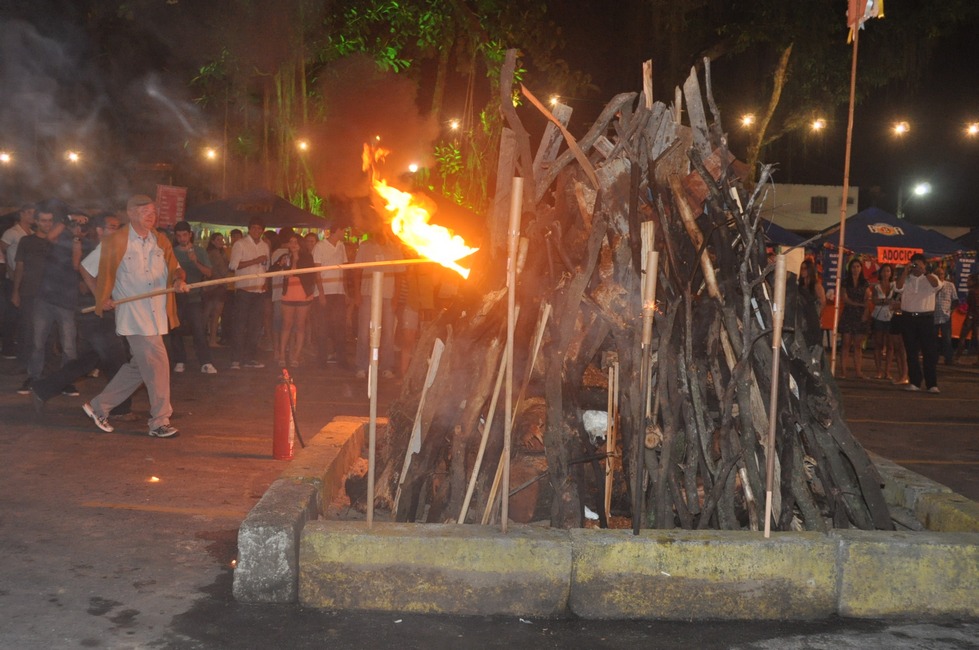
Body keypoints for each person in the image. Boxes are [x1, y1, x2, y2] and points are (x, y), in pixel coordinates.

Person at [81, 194, 188, 438]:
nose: (151, 217)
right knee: (159, 365)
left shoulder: (160, 240)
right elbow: (86, 268)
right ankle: (160, 421)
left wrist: (178, 280)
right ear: (130, 214)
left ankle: (98, 407)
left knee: (139, 368)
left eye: (153, 212)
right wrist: (100, 297)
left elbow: (177, 269)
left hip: (157, 316)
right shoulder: (115, 241)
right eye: (145, 212)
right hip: (134, 317)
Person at [32, 212, 133, 417]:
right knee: (117, 361)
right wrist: (100, 297)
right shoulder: (90, 247)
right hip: (93, 313)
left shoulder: (113, 249)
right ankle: (120, 408)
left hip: (104, 312)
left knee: (88, 360)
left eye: (118, 227)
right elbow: (80, 269)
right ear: (100, 230)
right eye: (112, 227)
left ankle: (43, 388)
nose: (117, 231)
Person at [27, 205, 88, 397]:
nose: (77, 225)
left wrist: (77, 237)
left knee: (69, 346)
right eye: (75, 222)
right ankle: (34, 377)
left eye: (80, 223)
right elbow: (50, 237)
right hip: (45, 298)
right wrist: (69, 217)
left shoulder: (80, 241)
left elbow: (76, 264)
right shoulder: (57, 236)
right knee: (38, 342)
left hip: (66, 300)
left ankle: (66, 381)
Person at [11, 205, 55, 391]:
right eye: (43, 220)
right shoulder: (26, 241)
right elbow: (19, 267)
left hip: (51, 295)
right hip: (29, 292)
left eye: (50, 221)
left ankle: (47, 369)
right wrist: (16, 291)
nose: (47, 224)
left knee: (49, 333)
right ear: (36, 222)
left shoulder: (55, 242)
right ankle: (27, 367)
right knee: (28, 330)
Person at [353, 228, 403, 380]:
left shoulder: (395, 248)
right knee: (364, 332)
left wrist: (396, 297)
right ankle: (361, 366)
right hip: (367, 294)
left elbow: (400, 275)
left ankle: (387, 366)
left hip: (388, 295)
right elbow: (356, 271)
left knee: (388, 333)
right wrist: (357, 293)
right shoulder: (365, 246)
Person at [169, 221, 217, 374]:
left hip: (194, 297)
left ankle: (205, 361)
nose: (182, 238)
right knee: (176, 329)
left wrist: (195, 261)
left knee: (199, 329)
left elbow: (209, 273)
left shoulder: (199, 251)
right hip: (176, 297)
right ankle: (180, 360)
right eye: (178, 236)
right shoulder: (171, 252)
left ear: (190, 235)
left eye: (184, 235)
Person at [270, 231, 321, 367]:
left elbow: (310, 276)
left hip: (303, 294)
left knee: (300, 326)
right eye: (291, 242)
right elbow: (271, 270)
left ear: (300, 244)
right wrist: (280, 264)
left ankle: (296, 355)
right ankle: (282, 354)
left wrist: (296, 263)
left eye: (296, 242)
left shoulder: (307, 257)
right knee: (286, 325)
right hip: (288, 293)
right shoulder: (285, 257)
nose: (293, 244)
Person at [228, 217, 269, 369]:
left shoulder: (265, 246)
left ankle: (250, 358)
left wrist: (265, 282)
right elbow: (233, 266)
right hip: (244, 291)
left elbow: (265, 267)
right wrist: (255, 260)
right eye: (254, 228)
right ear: (249, 229)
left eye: (259, 229)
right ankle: (236, 359)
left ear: (262, 231)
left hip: (259, 292)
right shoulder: (240, 244)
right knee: (240, 325)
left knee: (255, 327)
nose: (257, 231)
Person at [896, 253, 940, 393]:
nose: (916, 267)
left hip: (925, 318)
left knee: (929, 352)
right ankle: (915, 382)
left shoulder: (931, 277)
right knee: (911, 351)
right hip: (908, 318)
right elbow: (898, 288)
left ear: (925, 265)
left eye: (918, 264)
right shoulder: (907, 278)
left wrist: (924, 271)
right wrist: (905, 271)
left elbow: (936, 285)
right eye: (914, 264)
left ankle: (932, 384)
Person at [0, 203, 35, 358]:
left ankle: (18, 345)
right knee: (11, 314)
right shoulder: (12, 233)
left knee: (23, 315)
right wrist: (8, 268)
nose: (32, 216)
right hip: (13, 279)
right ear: (21, 214)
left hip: (27, 280)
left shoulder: (32, 233)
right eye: (29, 212)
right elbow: (1, 250)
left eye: (34, 213)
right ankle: (7, 347)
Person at [312, 226, 349, 368]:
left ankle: (342, 360)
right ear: (337, 230)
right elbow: (317, 271)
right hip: (324, 292)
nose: (345, 233)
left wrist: (345, 291)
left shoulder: (341, 246)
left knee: (340, 327)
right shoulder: (320, 246)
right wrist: (321, 293)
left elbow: (343, 270)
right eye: (343, 230)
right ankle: (321, 360)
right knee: (323, 327)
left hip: (338, 292)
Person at [869, 263, 906, 382]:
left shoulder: (895, 285)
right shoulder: (876, 287)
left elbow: (896, 299)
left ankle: (887, 371)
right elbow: (875, 300)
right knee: (878, 344)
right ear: (880, 273)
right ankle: (878, 371)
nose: (886, 273)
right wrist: (886, 301)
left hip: (891, 317)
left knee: (891, 345)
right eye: (884, 271)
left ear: (891, 273)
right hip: (879, 316)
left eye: (888, 271)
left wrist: (885, 301)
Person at [837, 257, 871, 380]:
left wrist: (865, 311)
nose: (855, 269)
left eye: (858, 267)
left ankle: (858, 371)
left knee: (857, 345)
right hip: (848, 314)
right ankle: (843, 371)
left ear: (861, 268)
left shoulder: (864, 283)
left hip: (860, 315)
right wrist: (859, 304)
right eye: (853, 267)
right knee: (846, 343)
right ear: (850, 269)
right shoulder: (846, 282)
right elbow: (845, 298)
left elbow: (868, 298)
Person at [204, 232, 230, 348]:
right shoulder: (216, 254)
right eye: (218, 240)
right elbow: (224, 271)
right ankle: (212, 340)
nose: (221, 242)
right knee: (214, 314)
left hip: (211, 286)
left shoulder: (212, 253)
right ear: (213, 241)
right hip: (218, 286)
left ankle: (207, 339)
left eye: (222, 239)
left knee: (209, 314)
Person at [933, 267, 958, 366]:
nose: (940, 276)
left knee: (946, 338)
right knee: (933, 339)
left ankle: (948, 358)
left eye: (942, 274)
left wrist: (951, 311)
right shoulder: (931, 285)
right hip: (933, 316)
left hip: (945, 316)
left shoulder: (950, 285)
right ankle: (934, 358)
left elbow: (955, 300)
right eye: (937, 274)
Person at [954, 274, 979, 365]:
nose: (967, 282)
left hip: (971, 316)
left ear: (973, 281)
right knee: (977, 338)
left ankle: (957, 357)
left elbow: (970, 304)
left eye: (968, 280)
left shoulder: (972, 292)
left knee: (963, 337)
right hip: (977, 317)